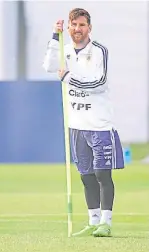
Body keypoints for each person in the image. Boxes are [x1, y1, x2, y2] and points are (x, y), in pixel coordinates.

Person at [42, 8, 125, 237]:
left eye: (81, 25)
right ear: (68, 27)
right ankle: (93, 220)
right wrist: (54, 37)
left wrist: (68, 78)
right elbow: (50, 66)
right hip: (77, 124)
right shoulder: (64, 50)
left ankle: (106, 223)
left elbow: (99, 82)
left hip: (99, 124)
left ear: (89, 27)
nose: (77, 29)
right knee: (86, 176)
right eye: (73, 25)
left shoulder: (98, 51)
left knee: (102, 175)